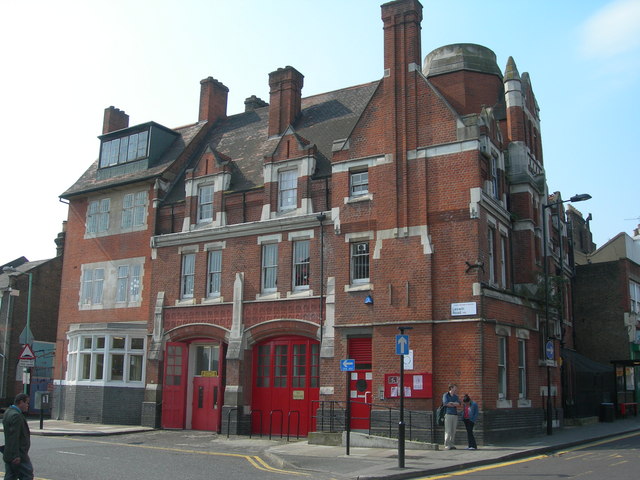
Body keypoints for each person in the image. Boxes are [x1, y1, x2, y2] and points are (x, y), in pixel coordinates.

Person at [2, 393, 33, 480]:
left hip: (9, 453)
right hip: (19, 454)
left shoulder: (8, 412)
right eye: (26, 403)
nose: (28, 405)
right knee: (27, 475)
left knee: (10, 476)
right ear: (20, 402)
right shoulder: (16, 416)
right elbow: (13, 437)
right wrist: (16, 455)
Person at [442, 383, 460, 450]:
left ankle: (452, 444)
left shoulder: (456, 396)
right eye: (455, 388)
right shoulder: (445, 395)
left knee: (453, 430)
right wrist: (453, 404)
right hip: (448, 414)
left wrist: (452, 403)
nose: (456, 389)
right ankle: (447, 444)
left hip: (455, 414)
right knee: (448, 430)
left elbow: (458, 403)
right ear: (451, 388)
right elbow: (446, 403)